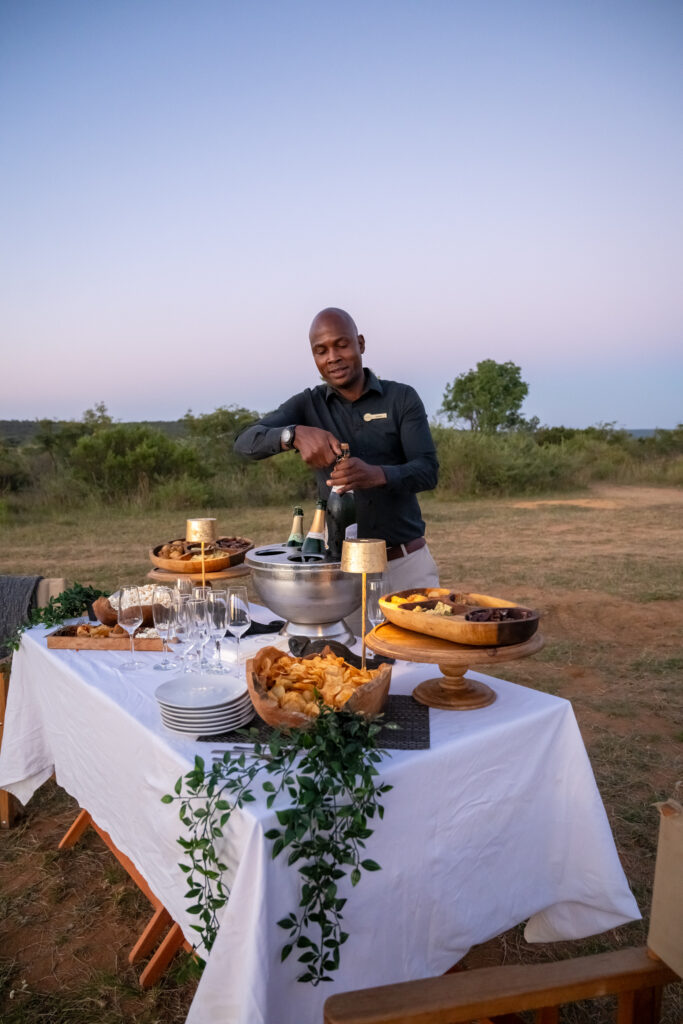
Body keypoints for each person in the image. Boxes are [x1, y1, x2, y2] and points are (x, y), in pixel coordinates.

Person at [234, 307, 440, 606]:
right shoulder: (308, 404)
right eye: (321, 350)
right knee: (345, 653)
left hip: (405, 565)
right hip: (342, 572)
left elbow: (427, 470)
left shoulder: (401, 398)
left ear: (361, 344)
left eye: (341, 345)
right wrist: (292, 435)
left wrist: (378, 475)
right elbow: (244, 441)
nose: (332, 357)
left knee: (417, 652)